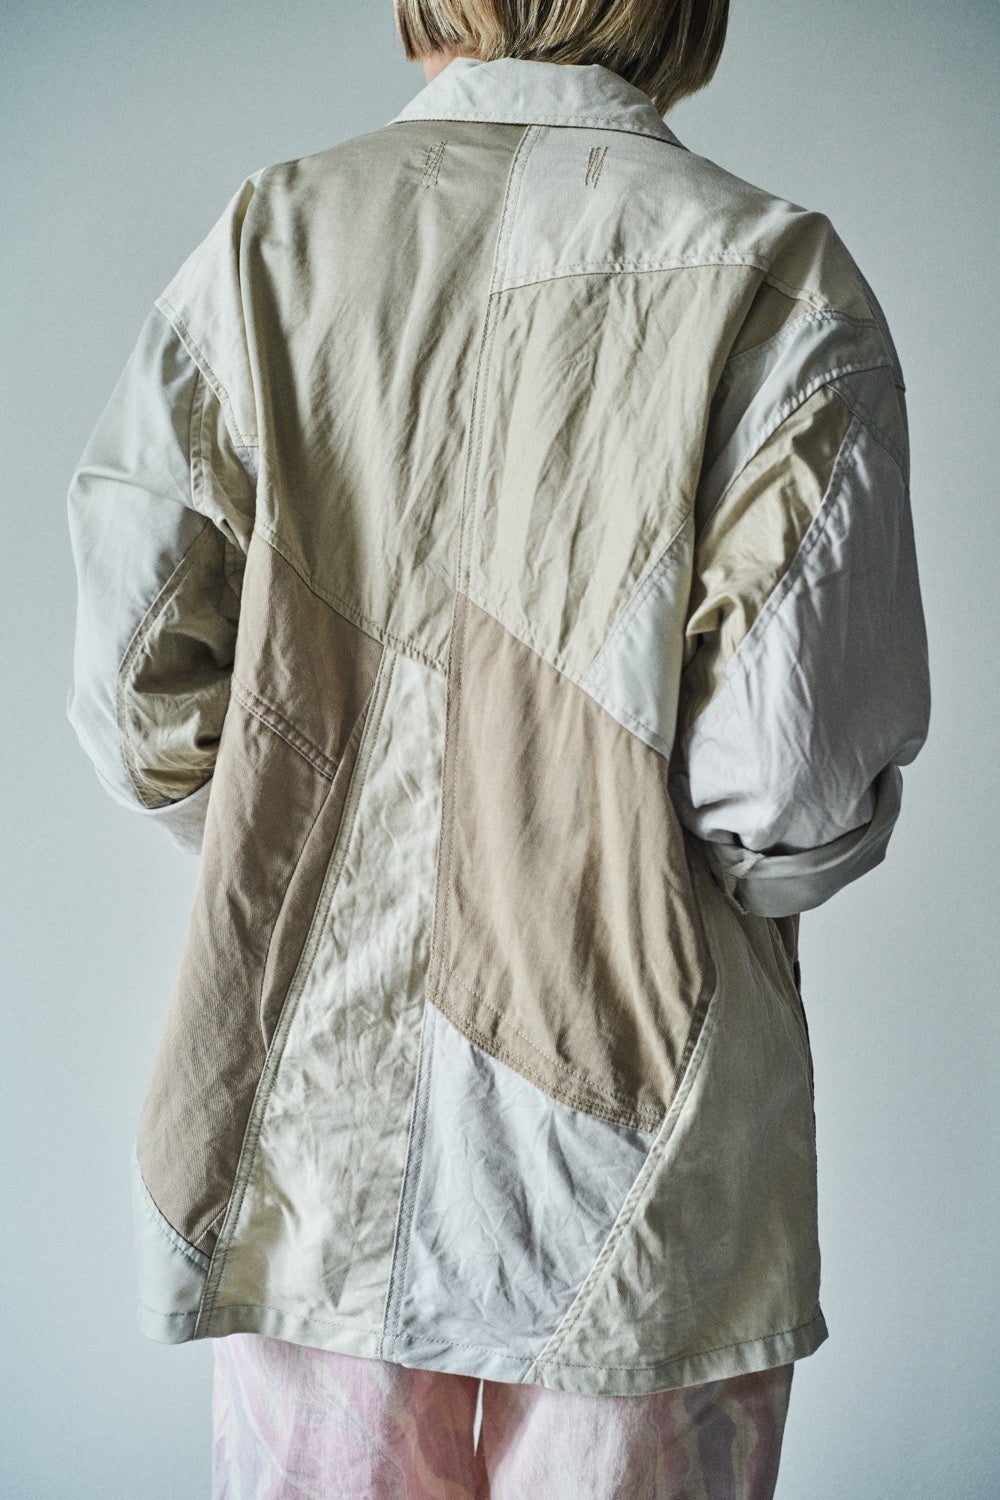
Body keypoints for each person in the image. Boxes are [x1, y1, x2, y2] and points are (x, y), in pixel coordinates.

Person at [64, 2, 932, 1496]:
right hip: (640, 1126)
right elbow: (786, 772)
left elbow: (137, 685)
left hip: (311, 1102)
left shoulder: (273, 240)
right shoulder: (776, 275)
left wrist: (305, 820)